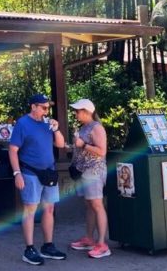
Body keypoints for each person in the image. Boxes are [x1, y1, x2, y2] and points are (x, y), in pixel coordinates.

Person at [9, 94, 67, 266]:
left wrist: (56, 129)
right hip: (30, 172)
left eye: (47, 107)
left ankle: (48, 245)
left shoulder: (47, 124)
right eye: (43, 107)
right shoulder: (22, 124)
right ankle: (29, 248)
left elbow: (61, 144)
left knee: (49, 209)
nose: (46, 110)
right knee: (30, 210)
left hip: (49, 171)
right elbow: (13, 150)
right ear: (33, 106)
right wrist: (17, 173)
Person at [68, 99, 110, 259]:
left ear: (87, 111)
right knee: (89, 204)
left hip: (94, 171)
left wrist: (83, 145)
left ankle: (102, 244)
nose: (76, 113)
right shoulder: (85, 127)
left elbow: (102, 151)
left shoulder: (97, 128)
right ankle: (90, 238)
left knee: (97, 205)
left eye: (78, 111)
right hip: (83, 171)